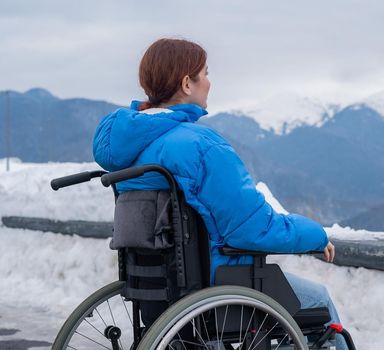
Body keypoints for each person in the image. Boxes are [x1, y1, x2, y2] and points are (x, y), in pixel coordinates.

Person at [92, 37, 347, 349]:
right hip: (215, 286)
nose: (209, 83)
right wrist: (316, 236)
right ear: (187, 83)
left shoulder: (126, 153)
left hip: (154, 290)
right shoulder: (200, 146)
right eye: (206, 73)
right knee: (317, 299)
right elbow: (252, 228)